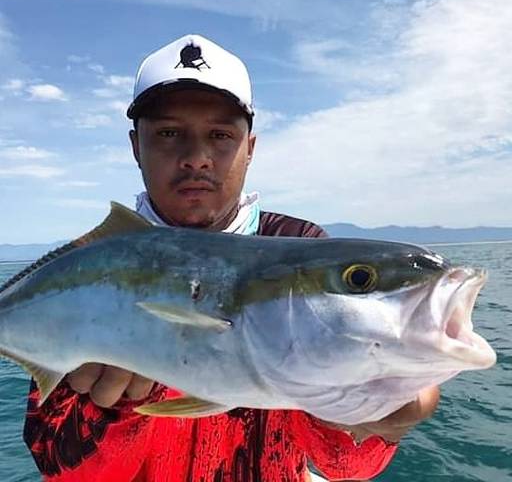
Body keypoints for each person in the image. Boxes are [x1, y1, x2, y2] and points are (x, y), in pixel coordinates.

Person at [23, 34, 440, 481]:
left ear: (250, 148)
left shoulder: (297, 246)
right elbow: (60, 465)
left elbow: (343, 467)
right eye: (168, 133)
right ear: (135, 147)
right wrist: (115, 407)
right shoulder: (86, 267)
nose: (196, 158)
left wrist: (375, 418)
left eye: (220, 135)